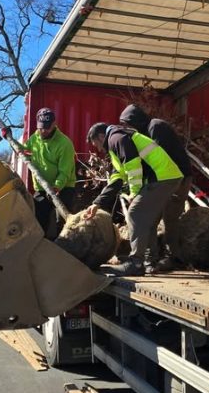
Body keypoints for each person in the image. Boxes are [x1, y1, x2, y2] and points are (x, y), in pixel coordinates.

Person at [84, 122, 182, 276]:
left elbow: (133, 165)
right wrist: (97, 203)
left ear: (101, 136)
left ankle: (135, 263)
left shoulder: (116, 138)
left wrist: (134, 193)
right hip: (165, 176)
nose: (98, 148)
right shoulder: (117, 139)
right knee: (146, 218)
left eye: (96, 143)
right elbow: (118, 177)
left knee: (135, 213)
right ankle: (149, 262)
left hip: (161, 177)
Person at [119, 104, 193, 267]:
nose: (128, 128)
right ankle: (153, 257)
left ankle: (174, 258)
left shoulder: (156, 127)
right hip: (164, 179)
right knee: (153, 217)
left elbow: (160, 160)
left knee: (170, 217)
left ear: (135, 120)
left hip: (177, 178)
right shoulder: (145, 131)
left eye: (128, 124)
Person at [24, 107, 76, 238]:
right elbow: (24, 150)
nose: (43, 131)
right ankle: (39, 245)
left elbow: (65, 171)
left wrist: (57, 186)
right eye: (41, 127)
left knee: (62, 221)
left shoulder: (65, 144)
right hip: (42, 187)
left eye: (47, 127)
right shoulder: (34, 138)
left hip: (63, 187)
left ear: (54, 124)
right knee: (38, 218)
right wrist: (10, 137)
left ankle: (64, 248)